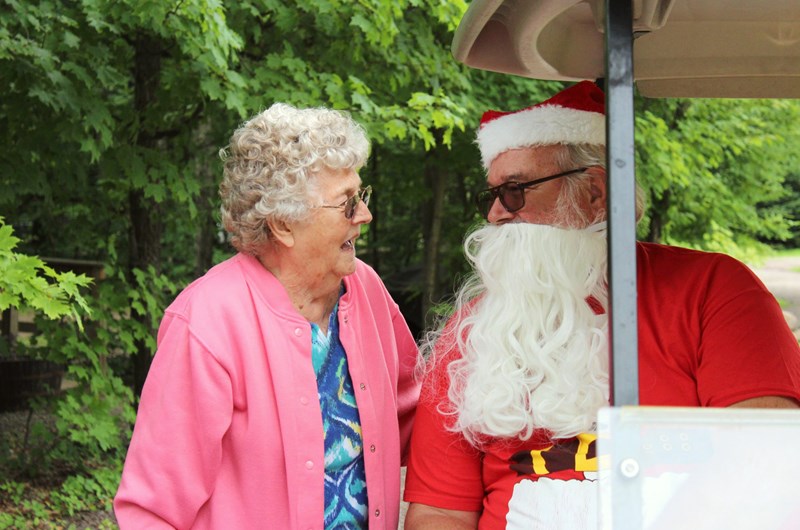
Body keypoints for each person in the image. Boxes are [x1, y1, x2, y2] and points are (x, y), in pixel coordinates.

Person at [402, 81, 800, 529]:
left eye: (514, 190)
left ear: (595, 193)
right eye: (490, 196)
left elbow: (764, 459)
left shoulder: (713, 289)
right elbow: (439, 511)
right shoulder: (472, 331)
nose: (495, 213)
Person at [114, 103, 420, 529]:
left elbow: (418, 421)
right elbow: (152, 511)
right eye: (347, 204)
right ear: (283, 225)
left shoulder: (366, 290)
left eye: (361, 196)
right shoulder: (207, 322)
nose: (364, 216)